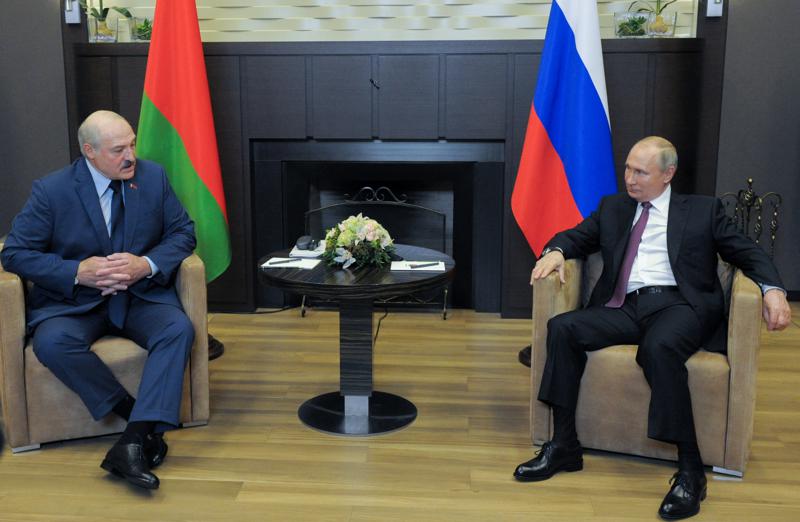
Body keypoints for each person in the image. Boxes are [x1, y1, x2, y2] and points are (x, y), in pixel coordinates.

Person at [512, 136, 791, 520]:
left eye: (640, 171)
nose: (630, 178)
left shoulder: (702, 211)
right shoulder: (614, 207)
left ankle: (691, 472)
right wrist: (556, 251)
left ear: (668, 174)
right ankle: (563, 446)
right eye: (627, 168)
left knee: (658, 349)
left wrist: (772, 289)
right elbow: (575, 236)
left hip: (679, 305)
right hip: (624, 305)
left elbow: (747, 252)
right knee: (562, 328)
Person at [1, 110, 197, 490]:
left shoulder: (152, 178)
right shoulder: (52, 190)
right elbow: (15, 253)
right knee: (52, 342)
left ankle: (131, 441)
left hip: (140, 296)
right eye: (118, 149)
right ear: (89, 151)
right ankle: (136, 421)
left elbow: (183, 234)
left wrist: (146, 264)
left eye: (133, 144)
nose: (130, 156)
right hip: (77, 303)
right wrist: (77, 272)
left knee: (177, 328)